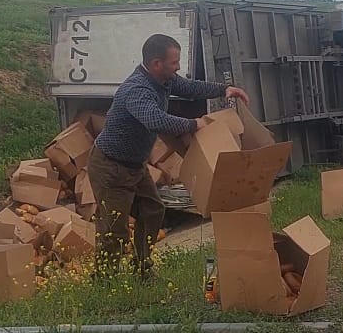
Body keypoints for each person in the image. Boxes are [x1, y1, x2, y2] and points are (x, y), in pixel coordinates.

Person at [91, 34, 249, 278]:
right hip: (111, 167)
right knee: (114, 228)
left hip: (135, 164)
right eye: (174, 62)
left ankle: (142, 267)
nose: (178, 68)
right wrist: (193, 124)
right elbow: (155, 119)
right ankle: (104, 282)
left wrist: (224, 89)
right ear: (156, 64)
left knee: (153, 210)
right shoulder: (137, 90)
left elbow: (191, 88)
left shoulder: (164, 80)